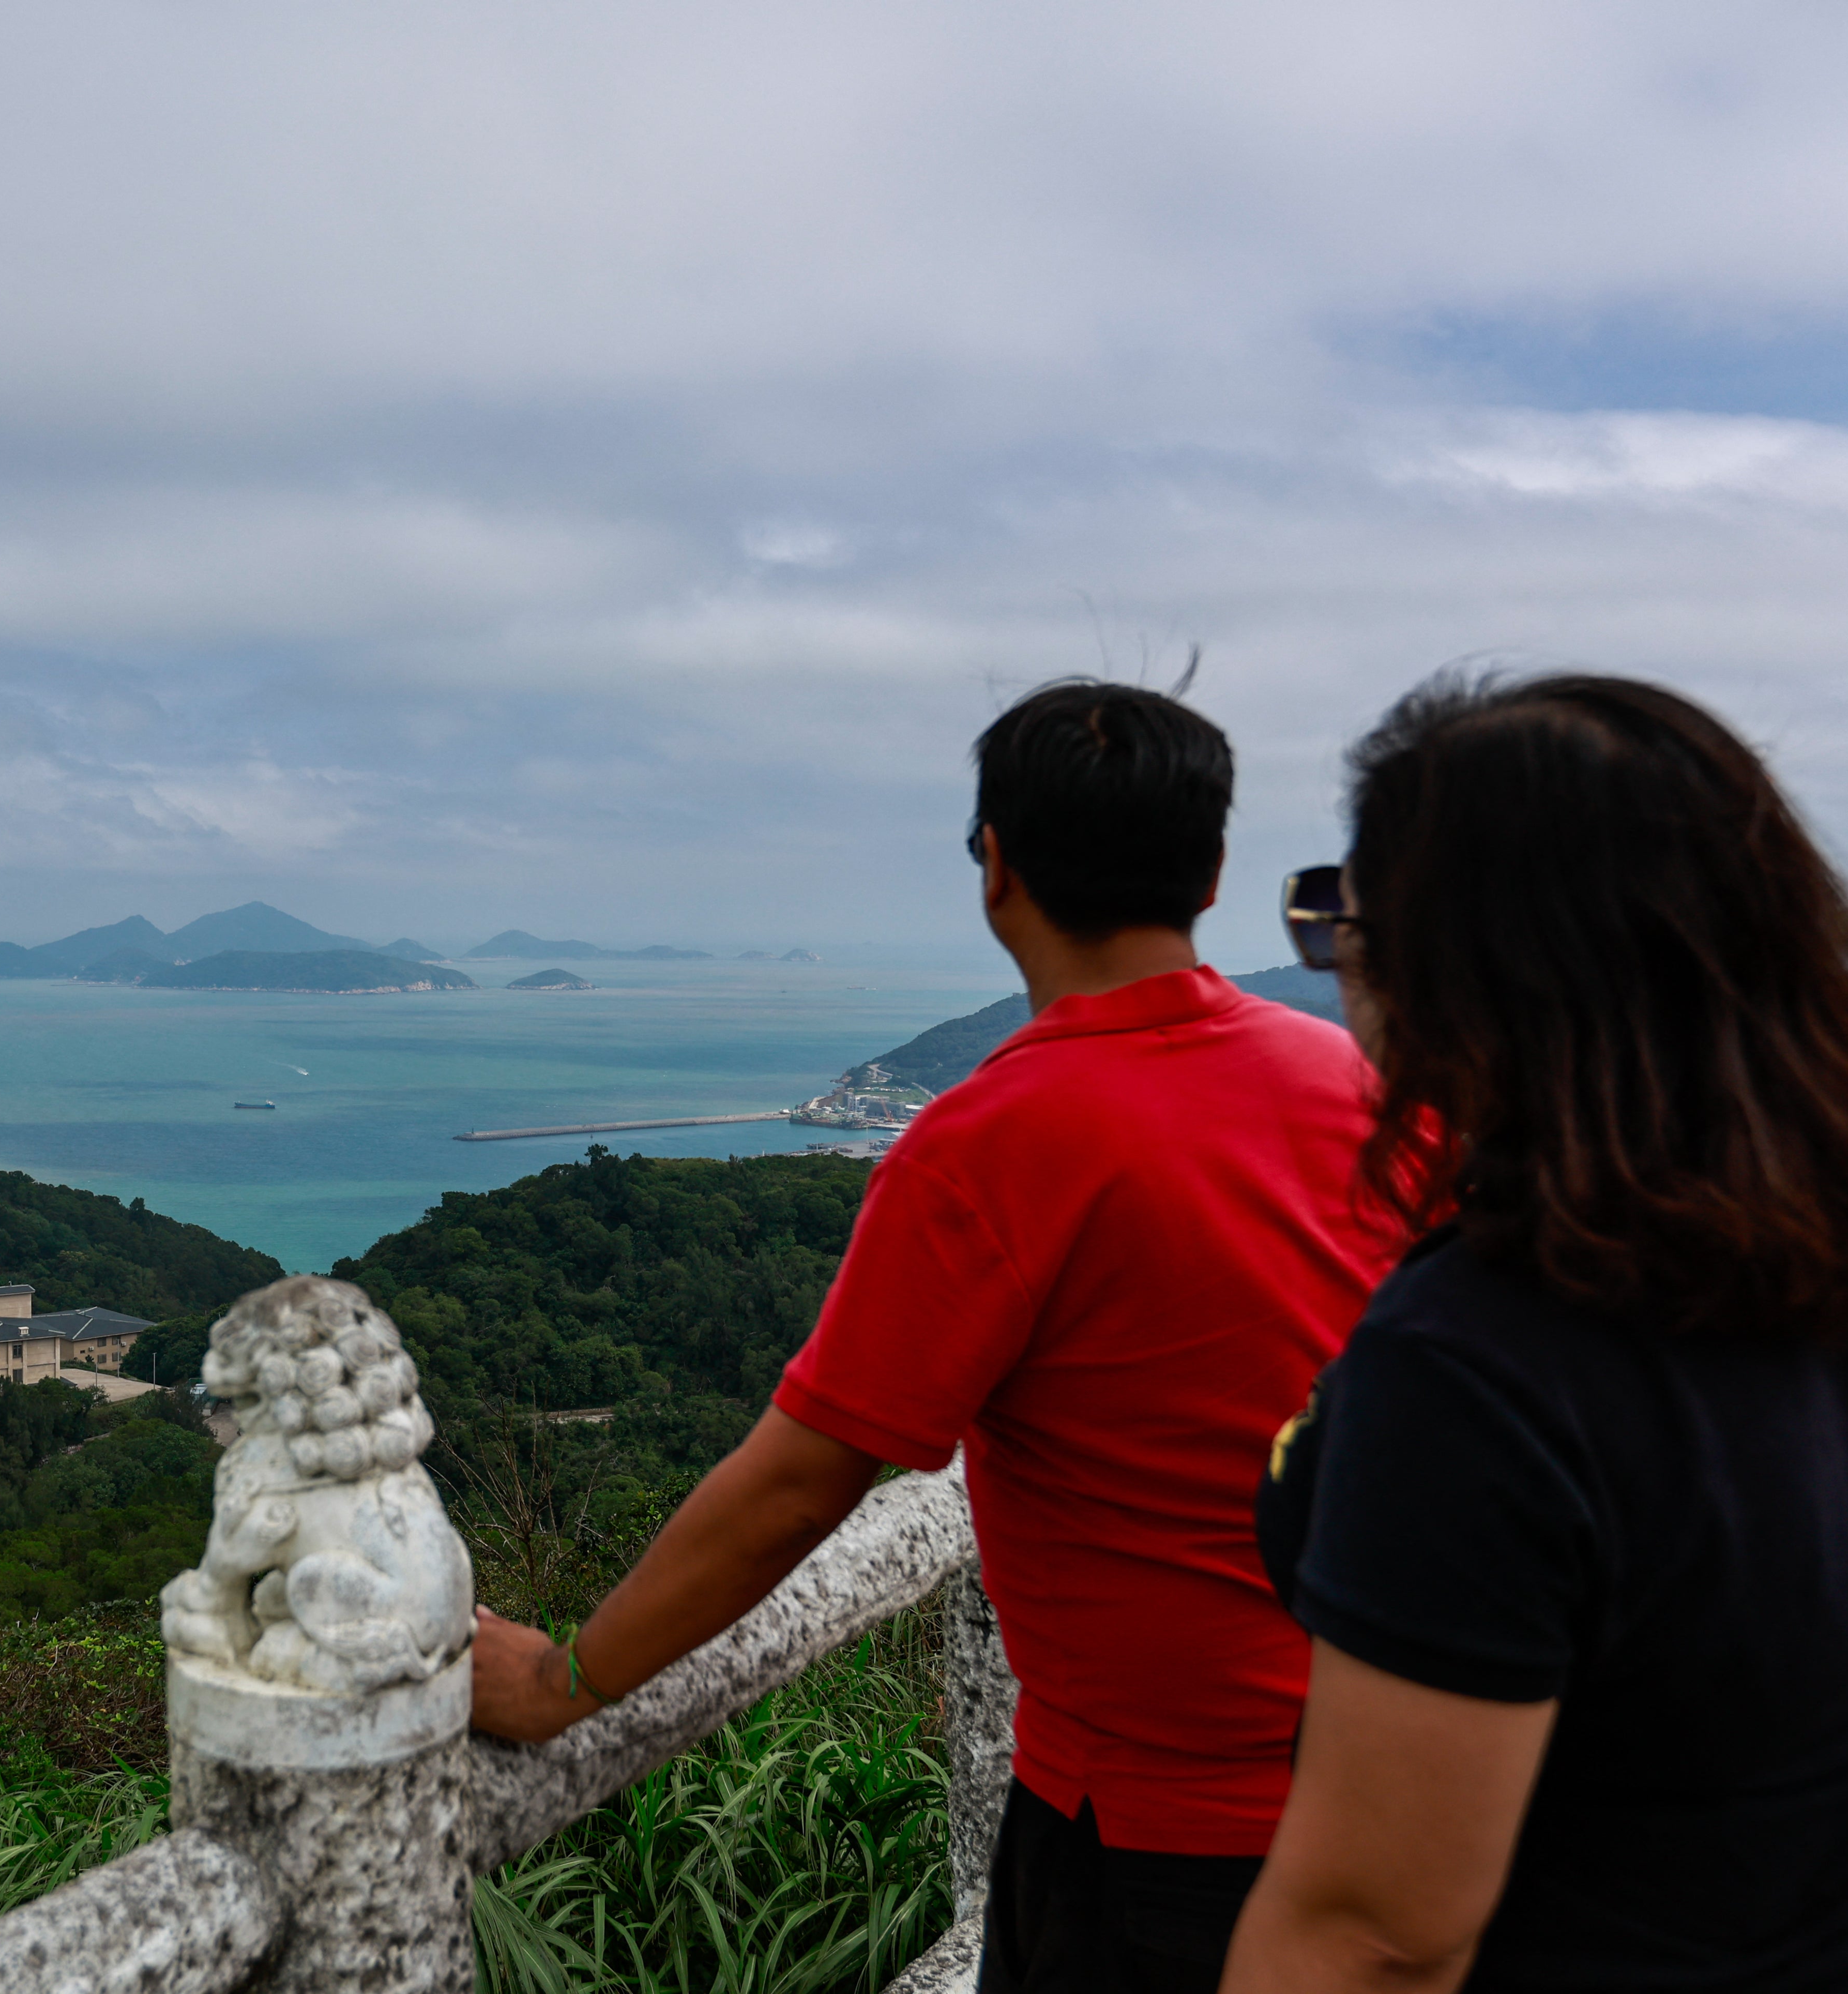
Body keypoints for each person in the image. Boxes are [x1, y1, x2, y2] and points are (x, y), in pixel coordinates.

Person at [472, 678, 1408, 1992]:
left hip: (1150, 1837)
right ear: (1210, 872)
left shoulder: (984, 1148)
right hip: (1413, 1777)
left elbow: (799, 1484)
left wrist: (563, 1678)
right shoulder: (1360, 1085)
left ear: (996, 868)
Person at [1227, 674, 1848, 1991]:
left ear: (1459, 973)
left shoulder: (1482, 1355)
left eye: (1346, 925)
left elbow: (1377, 1934)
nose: (1341, 967)